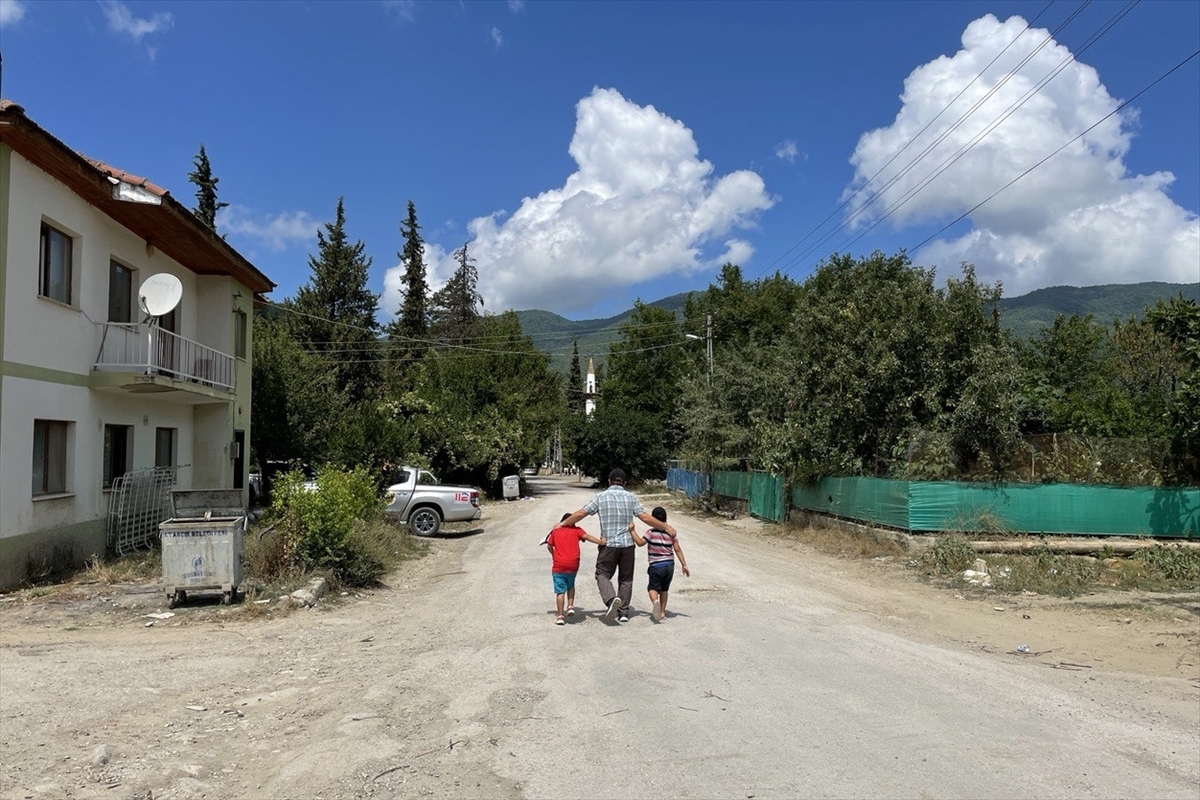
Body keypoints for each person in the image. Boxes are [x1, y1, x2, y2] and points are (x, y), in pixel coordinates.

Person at [560, 468, 676, 623]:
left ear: (609, 481)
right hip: (628, 546)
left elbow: (581, 514)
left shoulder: (600, 497)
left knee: (602, 574)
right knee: (626, 579)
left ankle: (610, 600)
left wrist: (562, 524)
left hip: (609, 545)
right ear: (625, 483)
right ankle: (623, 613)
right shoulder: (631, 497)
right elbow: (645, 517)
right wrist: (665, 527)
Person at [544, 513, 606, 625]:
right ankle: (570, 606)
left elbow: (549, 545)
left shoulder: (556, 531)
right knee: (571, 585)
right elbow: (587, 536)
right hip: (573, 564)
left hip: (559, 565)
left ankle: (560, 616)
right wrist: (600, 542)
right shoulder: (577, 530)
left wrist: (554, 555)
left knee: (560, 591)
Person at [630, 506, 689, 622]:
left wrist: (632, 531)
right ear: (665, 519)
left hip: (656, 565)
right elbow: (677, 549)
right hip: (669, 565)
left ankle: (655, 602)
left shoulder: (651, 532)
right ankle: (662, 612)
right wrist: (684, 564)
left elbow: (640, 543)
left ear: (653, 519)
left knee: (652, 588)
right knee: (664, 589)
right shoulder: (671, 533)